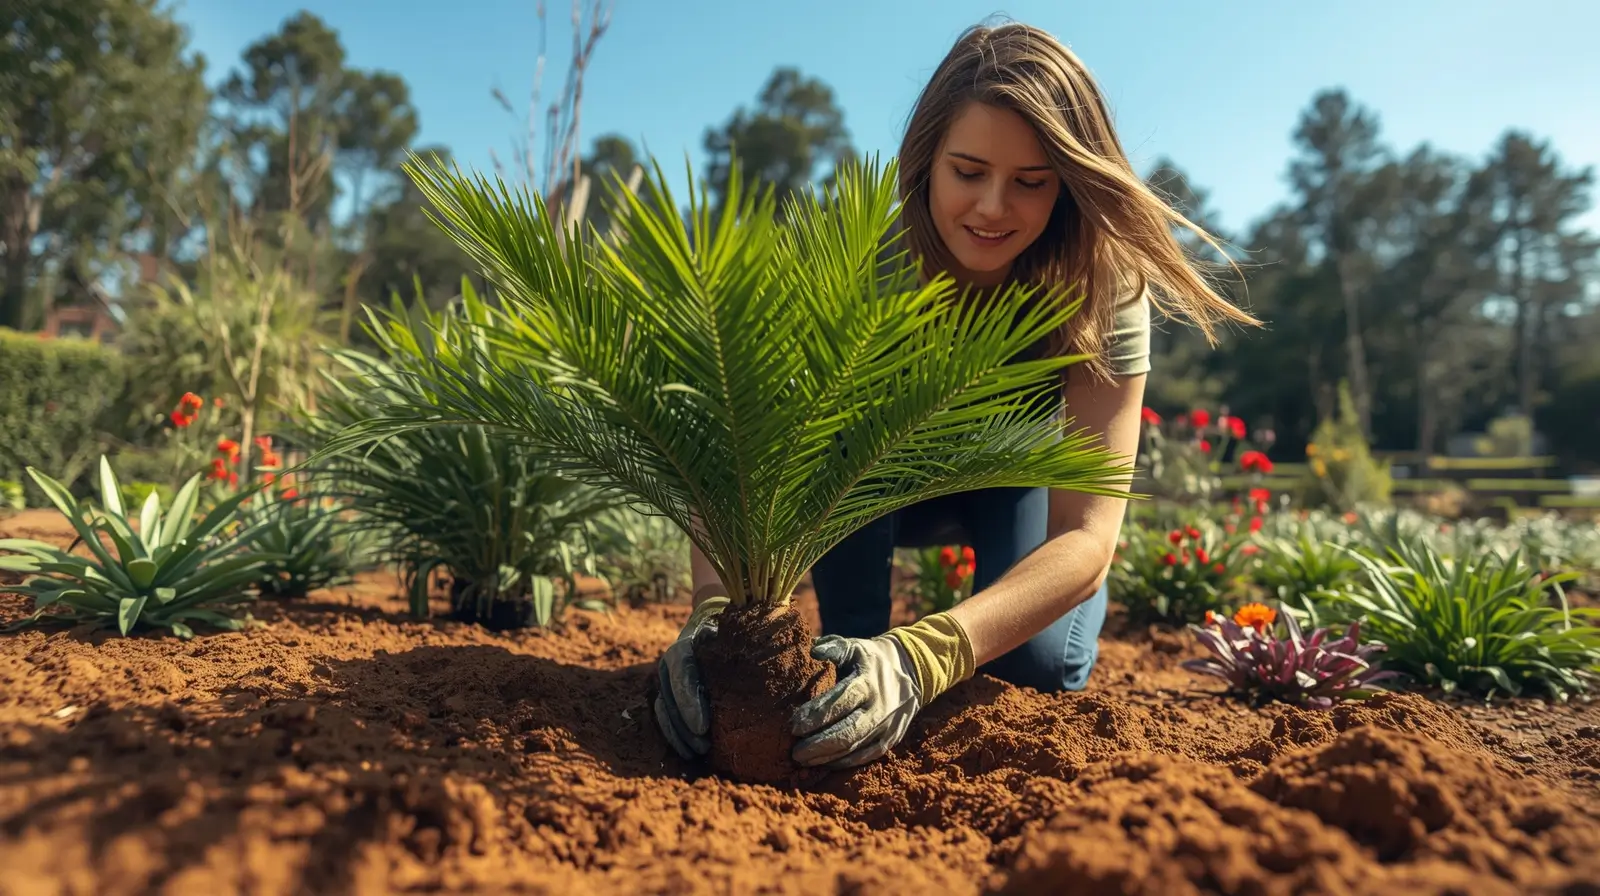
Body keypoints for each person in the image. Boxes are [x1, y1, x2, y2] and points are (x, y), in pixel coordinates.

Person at [653, 21, 1257, 770]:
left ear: (1068, 184)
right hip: (859, 484)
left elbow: (1087, 536)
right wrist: (709, 617)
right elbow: (732, 448)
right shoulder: (861, 259)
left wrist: (926, 655)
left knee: (1034, 670)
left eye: (1031, 183)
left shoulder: (1103, 287)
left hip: (1008, 480)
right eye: (967, 171)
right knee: (847, 656)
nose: (993, 208)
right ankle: (863, 643)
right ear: (925, 161)